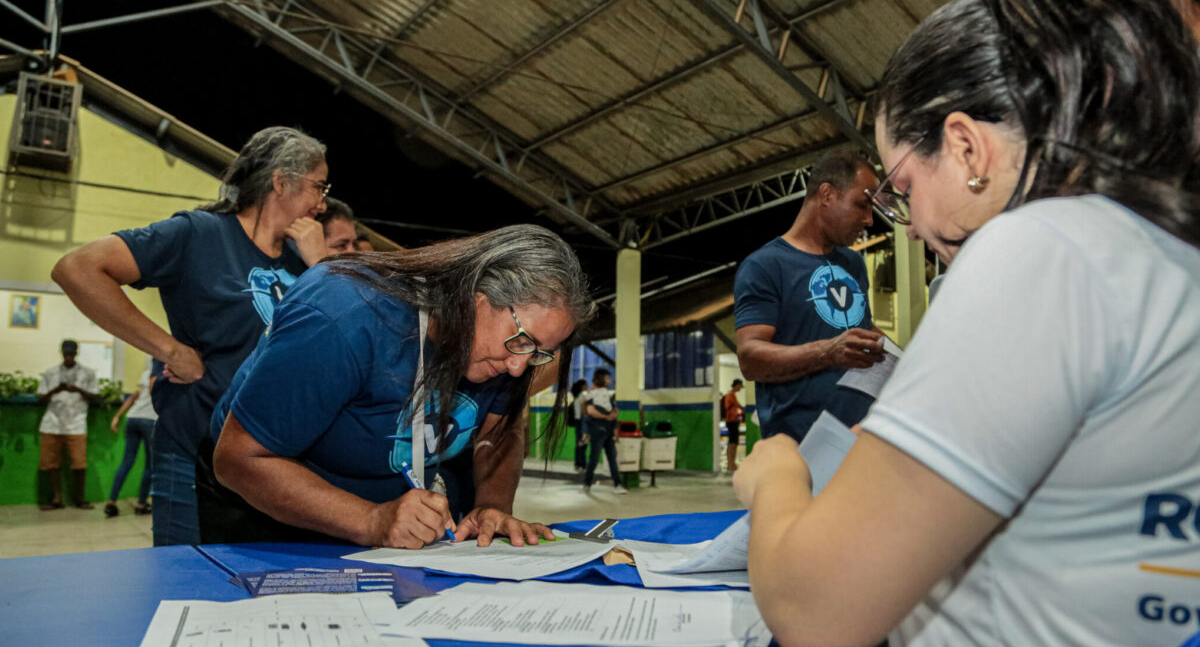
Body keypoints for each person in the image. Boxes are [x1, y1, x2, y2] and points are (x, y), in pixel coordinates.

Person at [733, 2, 1200, 646]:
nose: (912, 224)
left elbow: (814, 613)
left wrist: (777, 474)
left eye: (902, 188)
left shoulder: (1040, 250)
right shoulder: (1159, 252)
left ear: (965, 146)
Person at [200, 224, 593, 547]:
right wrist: (370, 520)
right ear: (476, 296)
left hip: (394, 524)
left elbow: (500, 432)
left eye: (540, 351)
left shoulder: (501, 355)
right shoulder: (343, 315)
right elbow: (240, 459)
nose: (519, 365)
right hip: (269, 513)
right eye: (521, 339)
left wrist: (491, 505)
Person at [51, 126, 329, 545]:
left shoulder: (305, 259)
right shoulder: (198, 234)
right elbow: (78, 268)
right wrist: (170, 349)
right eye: (318, 187)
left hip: (279, 463)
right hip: (196, 453)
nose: (322, 204)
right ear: (280, 181)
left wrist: (322, 266)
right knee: (192, 587)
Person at [733, 150, 885, 442]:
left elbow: (861, 329)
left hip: (858, 440)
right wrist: (828, 352)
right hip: (799, 446)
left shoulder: (852, 263)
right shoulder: (765, 266)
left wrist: (910, 359)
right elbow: (750, 358)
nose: (868, 220)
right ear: (826, 195)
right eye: (861, 206)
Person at [35, 339, 99, 510]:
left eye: (72, 353)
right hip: (52, 423)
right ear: (62, 353)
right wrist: (56, 390)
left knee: (79, 463)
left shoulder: (87, 373)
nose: (69, 357)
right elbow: (41, 398)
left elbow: (95, 397)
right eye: (66, 354)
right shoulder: (51, 373)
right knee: (51, 463)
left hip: (77, 423)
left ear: (76, 353)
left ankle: (79, 499)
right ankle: (57, 498)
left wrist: (78, 390)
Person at [105, 359, 159, 517]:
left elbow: (133, 397)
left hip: (132, 418)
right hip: (150, 421)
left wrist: (117, 416)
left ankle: (111, 502)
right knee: (150, 465)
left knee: (126, 462)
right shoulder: (164, 374)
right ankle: (142, 504)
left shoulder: (145, 374)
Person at [582, 368, 626, 495]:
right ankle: (587, 484)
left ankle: (618, 484)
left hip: (609, 430)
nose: (609, 381)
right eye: (607, 378)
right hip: (597, 430)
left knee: (612, 458)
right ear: (601, 379)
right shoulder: (591, 395)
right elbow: (590, 411)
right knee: (594, 459)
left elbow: (615, 412)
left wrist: (614, 425)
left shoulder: (608, 395)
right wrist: (607, 417)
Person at [721, 379, 745, 472]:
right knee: (733, 442)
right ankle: (731, 464)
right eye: (740, 386)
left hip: (733, 420)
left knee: (733, 442)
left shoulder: (732, 395)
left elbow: (738, 406)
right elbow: (731, 407)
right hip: (731, 421)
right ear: (736, 385)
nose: (741, 388)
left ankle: (731, 464)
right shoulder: (730, 395)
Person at [568, 379, 589, 472]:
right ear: (583, 386)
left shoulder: (576, 396)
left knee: (579, 443)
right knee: (583, 443)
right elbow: (584, 410)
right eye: (586, 385)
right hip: (583, 420)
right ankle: (582, 464)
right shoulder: (583, 396)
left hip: (577, 421)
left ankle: (578, 464)